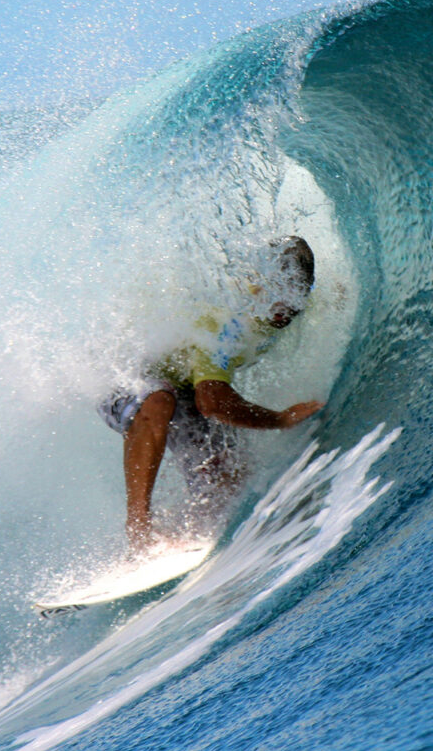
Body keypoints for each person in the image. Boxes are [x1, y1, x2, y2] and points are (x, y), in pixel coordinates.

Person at [97, 236, 324, 552]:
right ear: (260, 285)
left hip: (184, 388)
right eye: (278, 292)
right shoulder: (226, 322)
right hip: (123, 377)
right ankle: (138, 528)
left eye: (295, 292)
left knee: (228, 477)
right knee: (159, 401)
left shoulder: (291, 303)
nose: (285, 307)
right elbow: (212, 402)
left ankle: (178, 534)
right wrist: (281, 419)